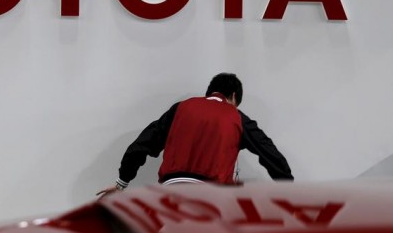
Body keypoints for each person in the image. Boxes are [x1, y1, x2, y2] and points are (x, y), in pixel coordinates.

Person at [97, 73, 292, 196]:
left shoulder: (181, 109)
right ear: (233, 96)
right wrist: (290, 191)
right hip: (213, 198)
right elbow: (269, 153)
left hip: (170, 195)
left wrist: (122, 181)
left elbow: (142, 144)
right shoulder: (236, 117)